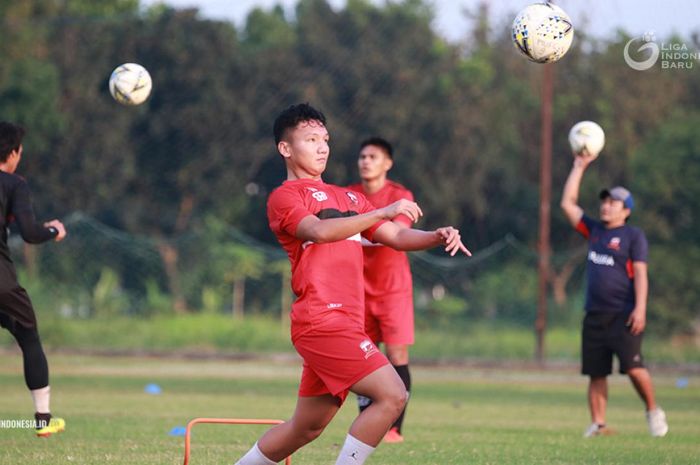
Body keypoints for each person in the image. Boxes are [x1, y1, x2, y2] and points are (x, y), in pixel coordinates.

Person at [234, 103, 471, 465]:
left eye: (325, 139)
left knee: (306, 428)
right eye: (311, 139)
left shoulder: (349, 198)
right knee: (392, 394)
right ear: (285, 148)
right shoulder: (286, 196)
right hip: (322, 320)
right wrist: (379, 211)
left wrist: (436, 236)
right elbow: (318, 230)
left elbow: (394, 236)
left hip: (345, 321)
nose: (322, 147)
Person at [560, 148, 668, 438]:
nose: (606, 206)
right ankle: (598, 423)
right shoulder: (594, 231)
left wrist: (640, 308)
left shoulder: (634, 236)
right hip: (594, 314)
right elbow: (568, 204)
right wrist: (579, 167)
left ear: (626, 210)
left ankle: (653, 410)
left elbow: (641, 273)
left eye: (614, 203)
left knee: (634, 369)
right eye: (605, 201)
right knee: (596, 372)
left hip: (624, 314)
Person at [0, 122, 67, 437]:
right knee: (28, 335)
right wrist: (53, 230)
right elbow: (29, 232)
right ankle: (43, 419)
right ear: (12, 153)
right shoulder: (14, 184)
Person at [347, 137, 415, 443]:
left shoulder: (400, 196)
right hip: (357, 289)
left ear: (387, 163)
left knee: (397, 354)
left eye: (373, 156)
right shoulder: (349, 195)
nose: (366, 161)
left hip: (393, 290)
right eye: (362, 156)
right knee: (363, 355)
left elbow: (397, 233)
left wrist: (358, 230)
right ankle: (367, 422)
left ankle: (394, 428)